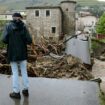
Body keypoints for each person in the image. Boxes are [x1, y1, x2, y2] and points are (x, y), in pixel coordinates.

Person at [1, 13, 32, 99]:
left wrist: (11, 41)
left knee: (15, 73)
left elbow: (3, 39)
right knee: (24, 71)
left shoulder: (8, 26)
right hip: (23, 53)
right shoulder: (24, 27)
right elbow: (29, 40)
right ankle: (25, 90)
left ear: (13, 18)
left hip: (12, 53)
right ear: (20, 18)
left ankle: (16, 92)